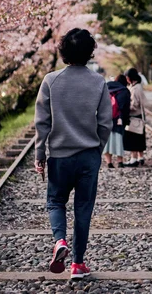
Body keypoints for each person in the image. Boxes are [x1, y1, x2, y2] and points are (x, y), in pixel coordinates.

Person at [34, 28, 112, 279]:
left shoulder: (50, 81)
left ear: (63, 51)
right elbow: (105, 124)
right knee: (83, 208)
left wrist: (40, 154)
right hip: (88, 155)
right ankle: (78, 264)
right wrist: (97, 150)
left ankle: (60, 241)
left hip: (60, 156)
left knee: (55, 201)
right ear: (90, 52)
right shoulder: (98, 82)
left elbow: (42, 123)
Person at [103, 74, 130, 169]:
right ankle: (120, 162)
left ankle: (109, 162)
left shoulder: (105, 87)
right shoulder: (125, 91)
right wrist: (126, 121)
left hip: (105, 119)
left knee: (107, 141)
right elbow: (126, 109)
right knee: (118, 139)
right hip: (119, 120)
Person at [122, 67, 147, 167]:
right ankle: (140, 157)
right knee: (139, 137)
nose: (126, 79)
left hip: (134, 116)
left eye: (127, 77)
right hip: (139, 116)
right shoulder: (137, 86)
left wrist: (125, 107)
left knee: (133, 138)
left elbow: (135, 104)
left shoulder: (135, 88)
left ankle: (134, 159)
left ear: (130, 77)